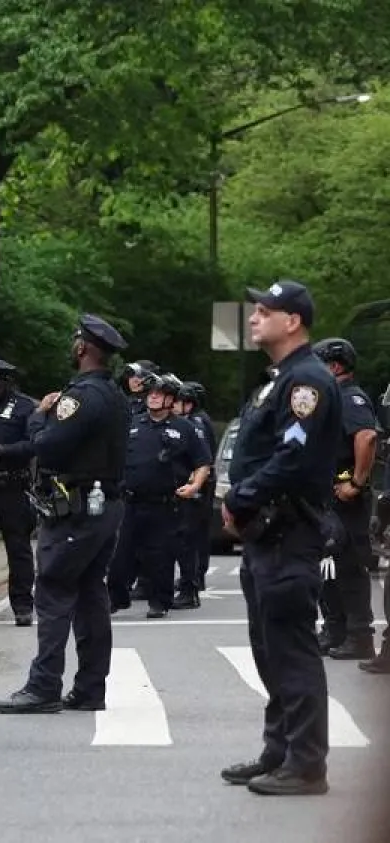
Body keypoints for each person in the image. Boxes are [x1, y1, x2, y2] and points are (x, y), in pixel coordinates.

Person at [218, 280, 340, 797]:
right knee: (268, 646)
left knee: (291, 647)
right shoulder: (280, 380)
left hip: (289, 531)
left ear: (293, 321)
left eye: (265, 311)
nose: (253, 317)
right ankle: (280, 750)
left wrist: (240, 496)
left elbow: (292, 457)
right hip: (267, 534)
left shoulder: (307, 381)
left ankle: (307, 763)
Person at [0, 315, 128, 715]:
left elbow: (47, 447)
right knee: (90, 595)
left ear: (83, 348)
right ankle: (90, 688)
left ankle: (44, 685)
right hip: (103, 507)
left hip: (76, 511)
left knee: (53, 590)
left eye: (76, 341)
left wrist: (40, 414)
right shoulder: (116, 395)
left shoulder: (80, 397)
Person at [108, 373, 211, 619]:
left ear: (170, 399)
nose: (153, 398)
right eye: (150, 394)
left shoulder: (184, 427)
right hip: (130, 501)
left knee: (160, 556)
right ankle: (116, 598)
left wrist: (195, 485)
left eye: (159, 394)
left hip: (165, 503)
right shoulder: (133, 424)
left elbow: (203, 462)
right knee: (119, 554)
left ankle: (159, 601)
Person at [311, 338, 381, 661]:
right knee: (329, 567)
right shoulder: (331, 399)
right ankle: (336, 629)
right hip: (327, 498)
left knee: (351, 567)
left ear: (335, 366)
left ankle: (360, 636)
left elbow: (366, 437)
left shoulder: (351, 398)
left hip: (346, 499)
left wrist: (356, 481)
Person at [0, 358, 38, 626]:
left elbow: (34, 444)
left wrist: (3, 452)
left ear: (8, 382)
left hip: (11, 485)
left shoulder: (25, 407)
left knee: (18, 549)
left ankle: (22, 604)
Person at [174, 380, 216, 603]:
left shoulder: (196, 424)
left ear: (188, 405)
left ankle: (194, 579)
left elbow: (202, 459)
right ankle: (193, 578)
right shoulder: (196, 420)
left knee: (191, 534)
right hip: (198, 484)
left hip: (197, 484)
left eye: (178, 402)